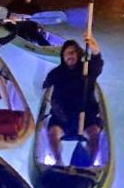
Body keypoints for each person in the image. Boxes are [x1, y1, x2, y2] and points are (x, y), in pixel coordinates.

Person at [42, 35, 104, 166]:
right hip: (62, 117)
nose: (70, 56)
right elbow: (45, 88)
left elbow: (97, 66)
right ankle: (58, 162)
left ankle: (90, 164)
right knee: (52, 133)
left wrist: (96, 51)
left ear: (78, 54)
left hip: (86, 116)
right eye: (66, 54)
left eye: (73, 53)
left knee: (95, 134)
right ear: (63, 57)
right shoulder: (56, 73)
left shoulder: (87, 70)